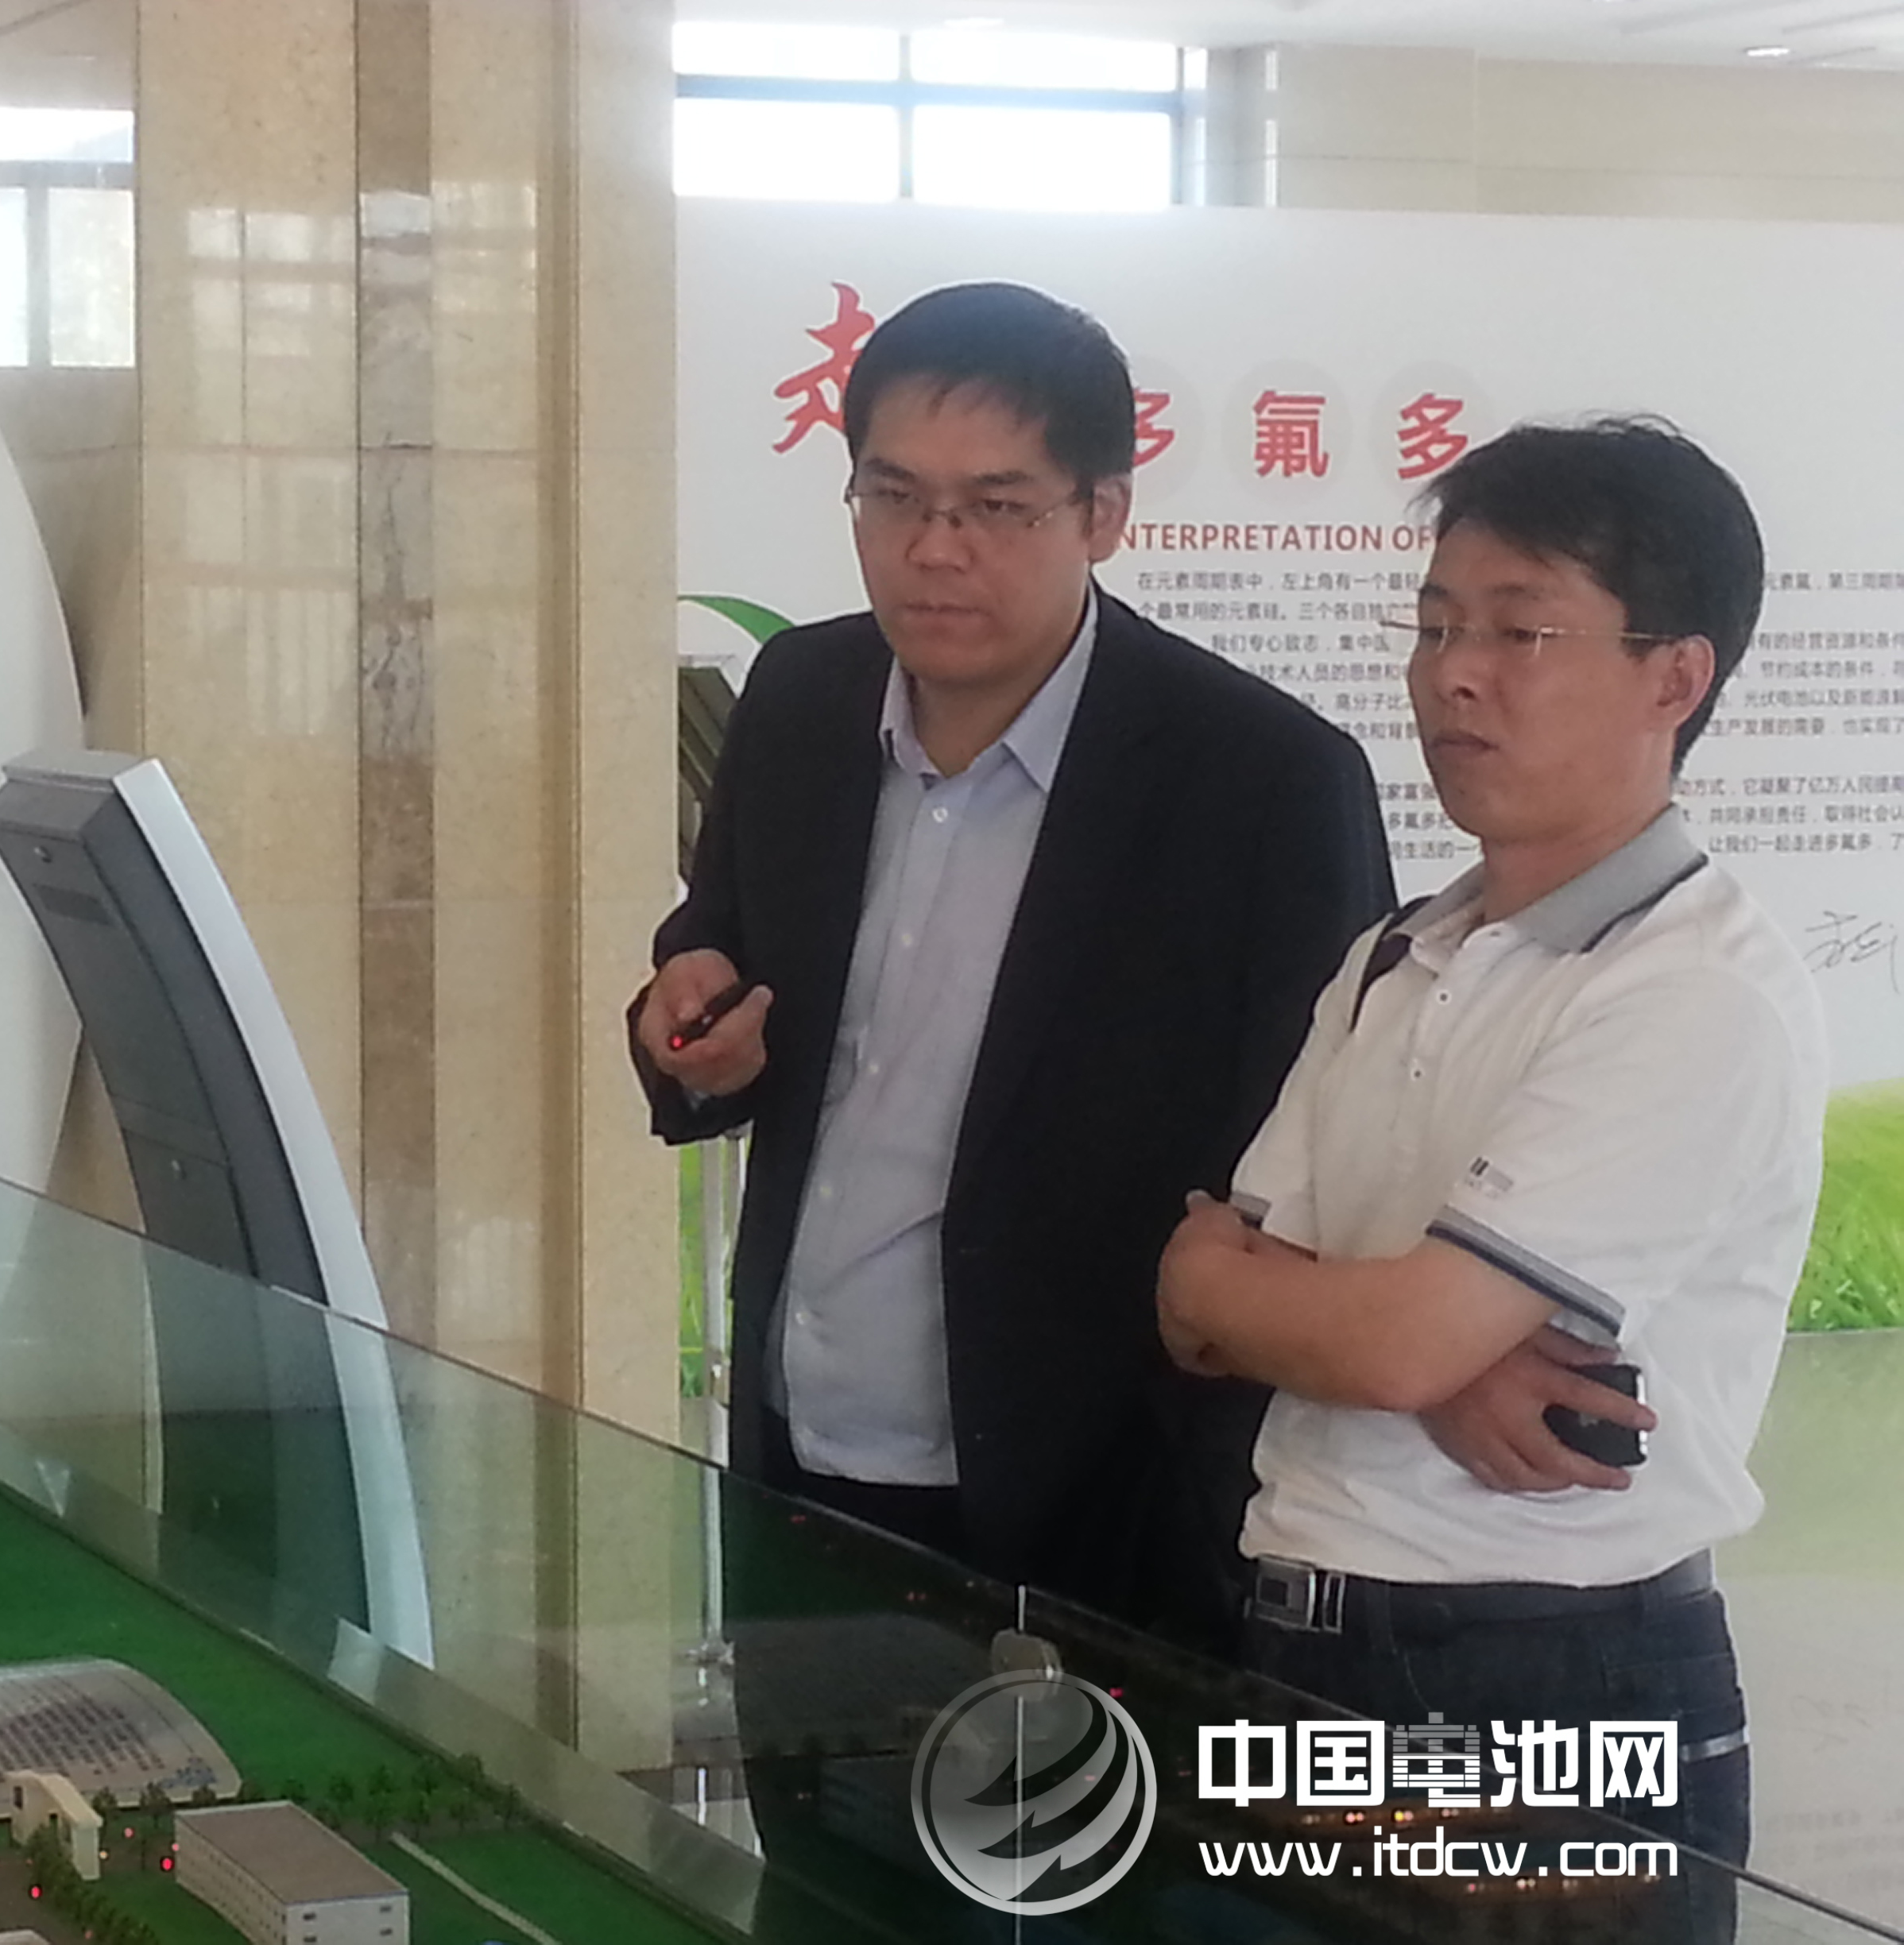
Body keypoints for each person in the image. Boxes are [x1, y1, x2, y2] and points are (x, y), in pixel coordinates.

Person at [633, 280, 1391, 1643]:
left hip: (1101, 1504)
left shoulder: (1261, 781)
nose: (935, 550)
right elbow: (716, 942)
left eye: (997, 506)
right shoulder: (800, 701)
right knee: (811, 1791)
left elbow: (1327, 1159)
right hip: (801, 1456)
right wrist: (687, 1028)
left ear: (1104, 513)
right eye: (894, 497)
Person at [1158, 416, 1825, 1871]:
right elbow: (1201, 1298)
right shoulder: (1399, 952)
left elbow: (1345, 1323)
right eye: (1437, 624)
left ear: (1676, 677)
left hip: (1547, 1669)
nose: (1453, 673)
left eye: (1521, 632)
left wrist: (1313, 1315)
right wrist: (1326, 1320)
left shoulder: (1689, 986)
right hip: (1303, 1641)